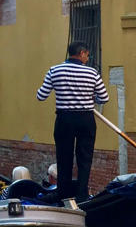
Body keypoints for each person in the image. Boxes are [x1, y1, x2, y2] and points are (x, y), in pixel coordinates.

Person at [36, 41, 109, 201]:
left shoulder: (54, 70)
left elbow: (41, 96)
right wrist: (89, 96)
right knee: (85, 157)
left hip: (64, 119)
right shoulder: (92, 73)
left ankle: (63, 193)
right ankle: (82, 195)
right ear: (82, 53)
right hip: (85, 119)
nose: (88, 59)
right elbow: (104, 98)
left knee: (64, 157)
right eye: (87, 55)